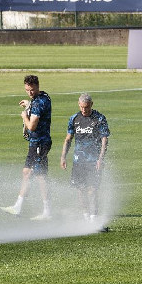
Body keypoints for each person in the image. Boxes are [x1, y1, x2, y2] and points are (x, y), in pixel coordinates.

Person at [1, 75, 53, 220]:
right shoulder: (43, 97)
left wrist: (24, 115)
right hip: (35, 143)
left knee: (40, 177)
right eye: (27, 90)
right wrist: (29, 105)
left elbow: (31, 126)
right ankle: (18, 207)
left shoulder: (38, 103)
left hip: (40, 144)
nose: (29, 92)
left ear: (37, 86)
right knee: (26, 173)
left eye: (32, 89)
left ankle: (47, 211)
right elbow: (37, 108)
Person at [60, 93, 110, 227]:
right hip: (78, 161)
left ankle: (94, 219)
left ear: (91, 105)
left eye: (86, 107)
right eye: (82, 107)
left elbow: (104, 139)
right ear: (79, 105)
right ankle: (86, 217)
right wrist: (63, 156)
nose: (84, 110)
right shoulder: (74, 119)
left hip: (94, 161)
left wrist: (101, 159)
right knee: (80, 189)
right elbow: (68, 139)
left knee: (92, 189)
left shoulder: (99, 118)